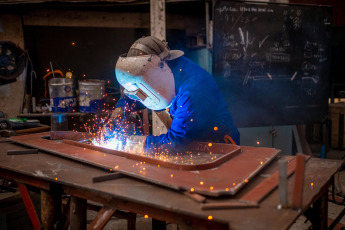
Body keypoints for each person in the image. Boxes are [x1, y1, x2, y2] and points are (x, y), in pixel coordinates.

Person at [112, 36, 239, 155]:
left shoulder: (192, 91)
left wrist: (134, 143)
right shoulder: (164, 72)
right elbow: (141, 92)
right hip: (190, 142)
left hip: (218, 147)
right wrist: (121, 108)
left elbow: (175, 142)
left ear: (160, 65)